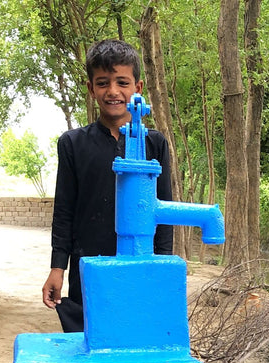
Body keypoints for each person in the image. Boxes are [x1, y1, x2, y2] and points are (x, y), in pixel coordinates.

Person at [41, 39, 174, 332]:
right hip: (88, 268)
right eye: (102, 83)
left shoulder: (154, 143)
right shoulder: (73, 144)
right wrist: (57, 268)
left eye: (122, 82)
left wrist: (161, 268)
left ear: (137, 89)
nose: (113, 91)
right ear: (91, 89)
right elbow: (64, 211)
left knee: (135, 342)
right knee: (90, 344)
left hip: (140, 267)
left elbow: (162, 211)